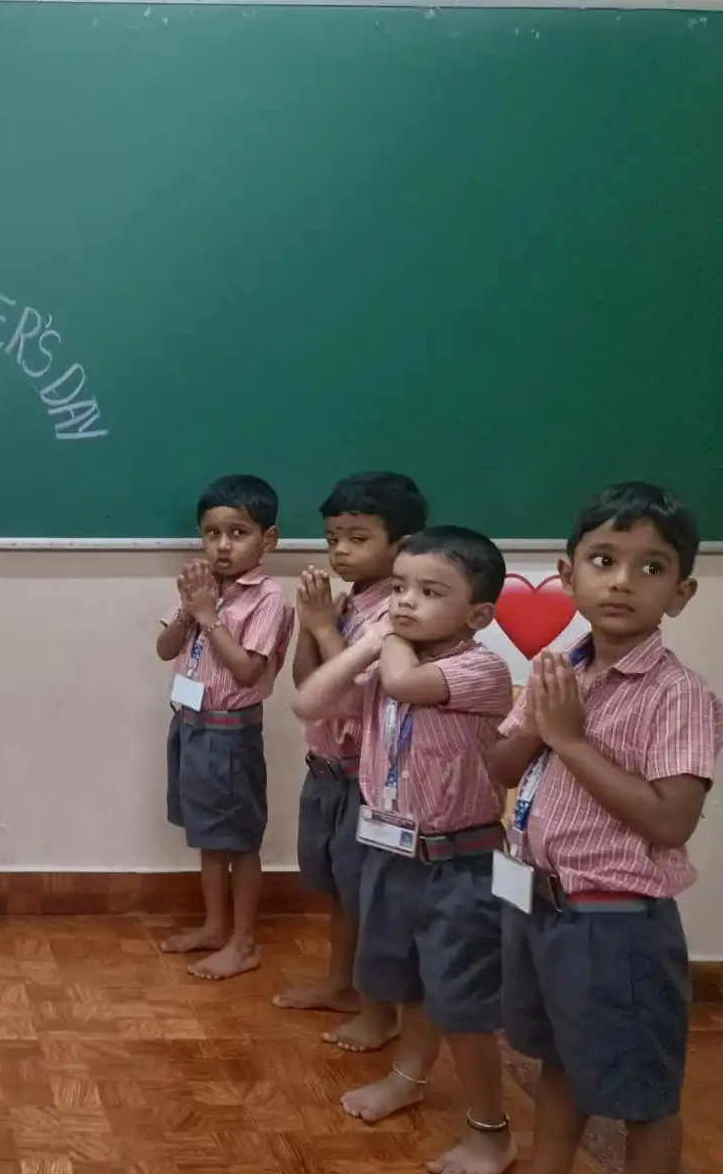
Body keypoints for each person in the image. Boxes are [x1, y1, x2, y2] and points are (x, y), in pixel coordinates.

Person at [487, 483, 720, 1174]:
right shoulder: (561, 670)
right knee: (559, 1059)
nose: (623, 582)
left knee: (642, 1096)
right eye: (603, 560)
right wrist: (538, 722)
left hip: (617, 926)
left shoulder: (679, 695)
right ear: (567, 575)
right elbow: (501, 768)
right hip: (538, 906)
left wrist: (571, 740)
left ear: (680, 594)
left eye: (651, 568)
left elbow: (672, 821)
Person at [292, 525, 516, 1174]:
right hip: (392, 852)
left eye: (430, 591)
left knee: (464, 1004)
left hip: (461, 864)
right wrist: (365, 642)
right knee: (412, 981)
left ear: (477, 615)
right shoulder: (392, 657)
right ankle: (409, 1076)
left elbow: (408, 687)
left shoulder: (480, 669)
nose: (406, 602)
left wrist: (380, 637)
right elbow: (309, 699)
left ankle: (490, 1130)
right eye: (400, 589)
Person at [275, 472, 427, 1055]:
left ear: (402, 544)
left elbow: (358, 692)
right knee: (341, 888)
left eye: (357, 538)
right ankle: (342, 983)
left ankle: (380, 1010)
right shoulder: (344, 603)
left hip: (369, 778)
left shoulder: (401, 612)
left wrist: (319, 626)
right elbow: (304, 681)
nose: (339, 550)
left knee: (373, 897)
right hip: (328, 768)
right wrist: (313, 625)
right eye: (333, 537)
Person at [155, 474, 294, 981]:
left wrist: (209, 617)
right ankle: (215, 927)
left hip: (230, 734)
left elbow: (246, 670)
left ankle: (245, 941)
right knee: (208, 837)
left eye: (238, 533)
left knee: (239, 842)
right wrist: (191, 611)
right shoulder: (201, 587)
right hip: (189, 726)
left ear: (268, 540)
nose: (222, 545)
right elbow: (165, 650)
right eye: (212, 533)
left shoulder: (268, 598)